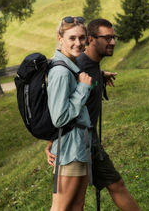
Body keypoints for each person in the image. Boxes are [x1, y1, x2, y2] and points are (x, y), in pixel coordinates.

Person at [46, 19, 141, 211]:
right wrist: (51, 143)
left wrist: (100, 76)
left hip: (87, 143)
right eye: (107, 38)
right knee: (64, 206)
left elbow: (81, 83)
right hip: (74, 145)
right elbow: (59, 109)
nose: (112, 42)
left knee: (79, 204)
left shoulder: (87, 65)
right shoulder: (76, 64)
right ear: (93, 40)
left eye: (113, 37)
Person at [47, 16, 93, 211]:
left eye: (82, 38)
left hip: (79, 147)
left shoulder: (70, 67)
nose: (78, 43)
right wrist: (83, 88)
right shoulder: (61, 72)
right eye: (72, 38)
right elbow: (59, 117)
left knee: (76, 207)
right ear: (60, 38)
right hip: (69, 151)